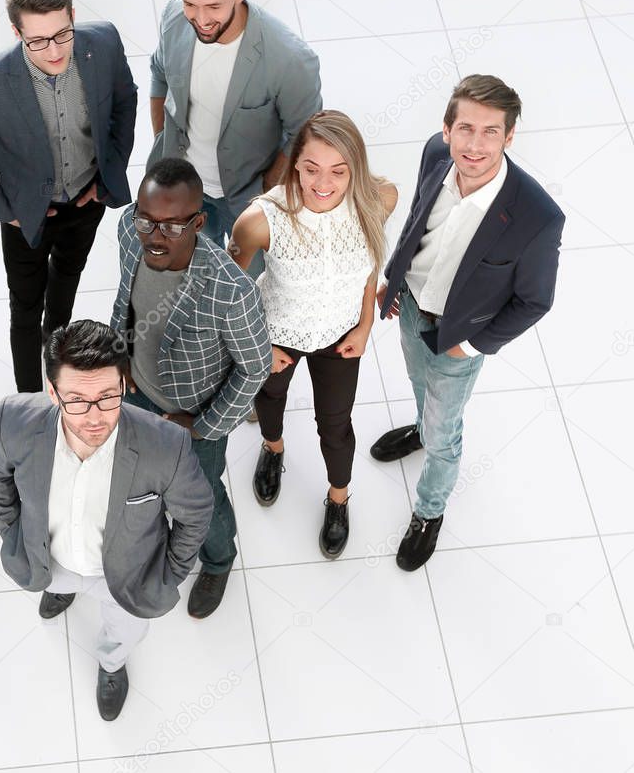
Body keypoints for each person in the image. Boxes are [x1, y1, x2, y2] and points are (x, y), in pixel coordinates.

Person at [371, 75, 564, 571]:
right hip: (410, 305)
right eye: (465, 129)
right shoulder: (436, 154)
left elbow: (534, 301)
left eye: (490, 132)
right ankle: (418, 428)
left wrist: (473, 344)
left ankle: (429, 511)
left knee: (445, 432)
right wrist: (393, 280)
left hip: (459, 336)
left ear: (510, 136)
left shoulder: (538, 216)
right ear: (447, 128)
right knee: (417, 383)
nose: (474, 145)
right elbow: (417, 219)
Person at [0, 320, 213, 721]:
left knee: (123, 633)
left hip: (127, 576)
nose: (94, 417)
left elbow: (195, 514)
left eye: (108, 397)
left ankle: (111, 666)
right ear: (52, 392)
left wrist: (168, 574)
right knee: (56, 580)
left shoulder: (165, 446)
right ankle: (60, 590)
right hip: (51, 561)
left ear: (124, 383)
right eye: (76, 400)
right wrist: (11, 529)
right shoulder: (12, 421)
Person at [0, 0, 138, 393]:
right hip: (25, 216)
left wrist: (111, 172)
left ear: (72, 14)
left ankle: (57, 370)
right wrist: (5, 210)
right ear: (16, 32)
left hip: (87, 202)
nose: (53, 51)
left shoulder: (103, 42)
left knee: (65, 291)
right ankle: (31, 401)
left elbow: (126, 100)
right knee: (25, 310)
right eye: (36, 40)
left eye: (62, 34)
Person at [228, 111, 397, 559]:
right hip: (276, 333)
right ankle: (273, 448)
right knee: (269, 399)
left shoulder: (378, 199)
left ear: (354, 170)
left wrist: (364, 326)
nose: (324, 183)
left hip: (341, 337)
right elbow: (227, 293)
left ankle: (338, 500)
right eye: (311, 168)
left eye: (339, 171)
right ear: (294, 163)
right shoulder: (260, 220)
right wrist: (257, 345)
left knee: (336, 427)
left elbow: (370, 262)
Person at [111, 157, 271, 619]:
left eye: (170, 226)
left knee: (199, 497)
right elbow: (125, 294)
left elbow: (255, 368)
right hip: (137, 393)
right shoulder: (129, 231)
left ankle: (219, 560)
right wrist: (119, 352)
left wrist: (202, 427)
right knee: (138, 479)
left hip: (194, 416)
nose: (153, 236)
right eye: (146, 220)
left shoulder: (231, 290)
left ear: (199, 223)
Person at [148, 0, 322, 277]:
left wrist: (265, 190)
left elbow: (304, 137)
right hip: (183, 190)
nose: (200, 19)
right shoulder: (173, 17)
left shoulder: (290, 59)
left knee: (250, 288)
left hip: (247, 199)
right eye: (190, 4)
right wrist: (162, 143)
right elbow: (158, 73)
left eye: (213, 6)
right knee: (188, 278)